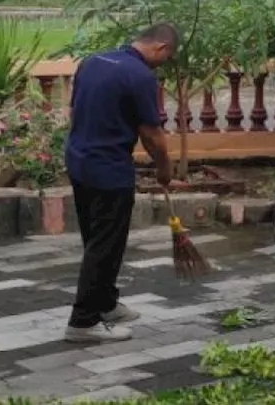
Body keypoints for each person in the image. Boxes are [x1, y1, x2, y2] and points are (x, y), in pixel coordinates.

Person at [63, 23, 177, 343]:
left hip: (79, 160)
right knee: (105, 245)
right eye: (167, 59)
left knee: (96, 239)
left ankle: (106, 304)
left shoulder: (93, 61)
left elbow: (73, 111)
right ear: (161, 48)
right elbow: (152, 134)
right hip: (108, 170)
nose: (163, 64)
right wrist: (164, 168)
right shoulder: (140, 76)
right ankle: (82, 322)